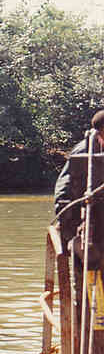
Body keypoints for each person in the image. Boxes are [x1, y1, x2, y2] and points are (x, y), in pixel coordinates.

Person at [54, 109, 104, 255]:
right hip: (88, 209)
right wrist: (66, 219)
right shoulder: (82, 152)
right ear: (99, 133)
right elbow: (64, 188)